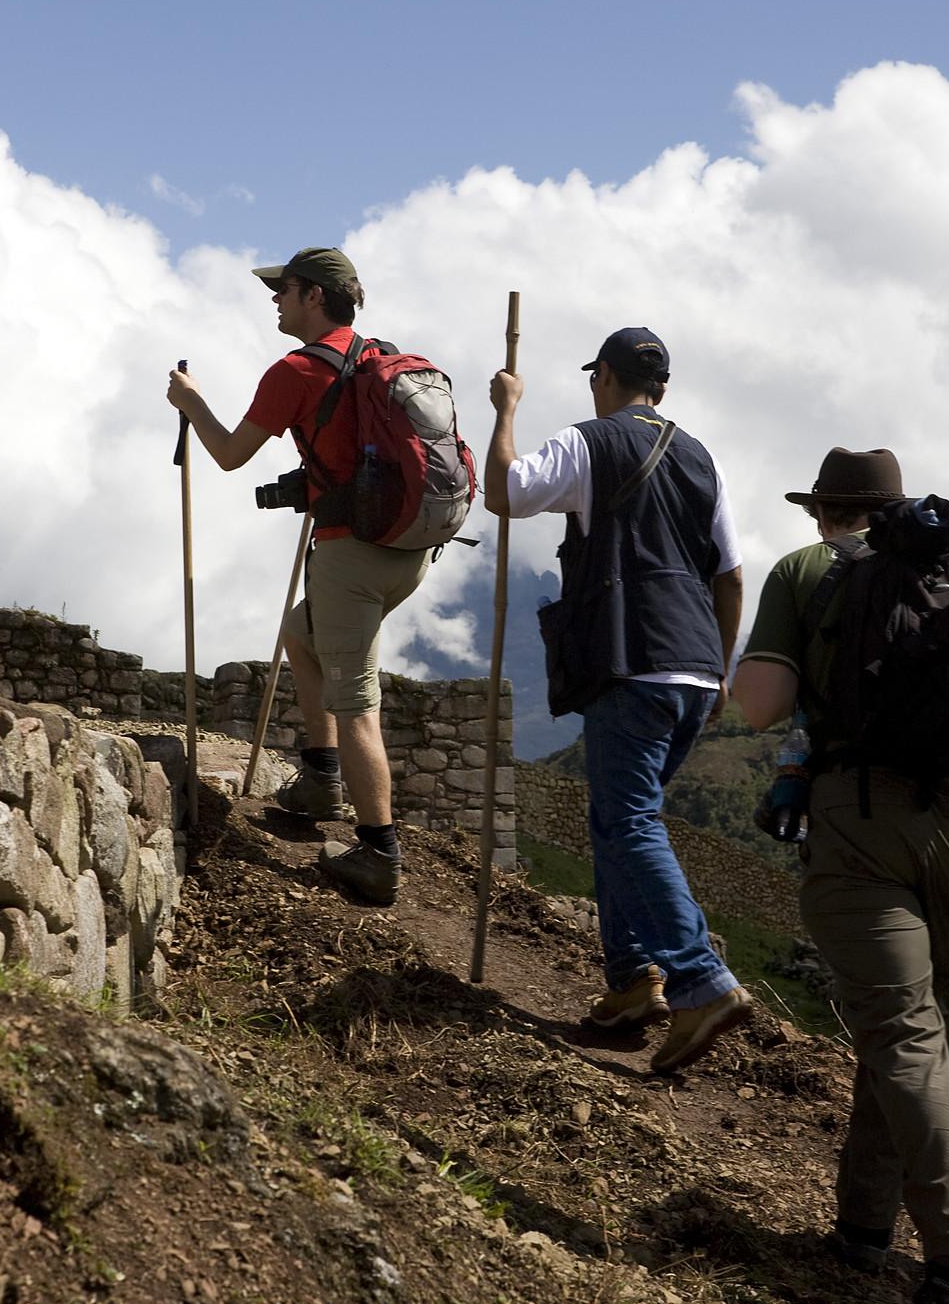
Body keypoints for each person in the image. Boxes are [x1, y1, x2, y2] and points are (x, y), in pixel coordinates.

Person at [732, 446, 949, 1304]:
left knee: (903, 1032)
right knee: (904, 1022)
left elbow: (759, 705)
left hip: (861, 817)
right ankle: (863, 1228)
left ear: (821, 511)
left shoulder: (806, 570)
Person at [485, 326, 752, 1075]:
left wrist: (506, 410)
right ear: (660, 389)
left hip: (631, 660)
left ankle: (700, 981)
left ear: (602, 376)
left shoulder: (588, 442)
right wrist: (720, 669)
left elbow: (504, 494)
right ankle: (634, 979)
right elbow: (730, 574)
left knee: (628, 820)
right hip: (694, 667)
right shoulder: (700, 457)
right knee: (617, 819)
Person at [166, 247, 431, 905]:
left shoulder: (296, 370)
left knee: (356, 703)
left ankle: (378, 853)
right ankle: (320, 776)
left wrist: (191, 403)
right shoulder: (379, 357)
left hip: (351, 558)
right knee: (300, 634)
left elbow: (230, 453)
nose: (274, 300)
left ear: (314, 295)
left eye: (282, 289)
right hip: (411, 549)